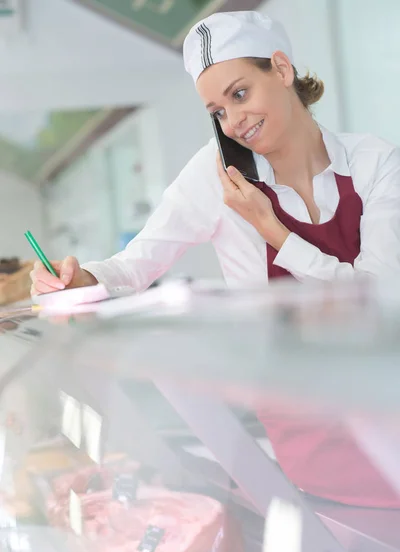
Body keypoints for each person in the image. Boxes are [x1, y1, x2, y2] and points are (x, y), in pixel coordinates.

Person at [30, 11, 400, 507]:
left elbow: (374, 294)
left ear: (282, 69)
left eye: (240, 93)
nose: (233, 120)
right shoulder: (216, 172)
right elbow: (137, 264)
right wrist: (81, 280)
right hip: (309, 424)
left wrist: (272, 229)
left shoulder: (374, 161)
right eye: (218, 110)